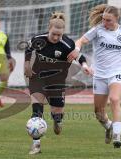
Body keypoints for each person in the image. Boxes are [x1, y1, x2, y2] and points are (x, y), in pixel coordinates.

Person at [67, 4, 121, 148]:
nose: (104, 23)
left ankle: (117, 136)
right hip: (99, 75)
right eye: (104, 19)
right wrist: (76, 49)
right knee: (98, 112)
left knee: (114, 99)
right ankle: (109, 127)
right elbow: (80, 41)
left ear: (117, 19)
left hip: (117, 73)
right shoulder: (97, 30)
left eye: (108, 20)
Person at [25, 12, 91, 155]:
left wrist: (84, 65)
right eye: (53, 34)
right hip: (38, 78)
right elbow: (28, 49)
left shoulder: (67, 44)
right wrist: (27, 65)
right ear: (49, 28)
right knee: (37, 110)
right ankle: (36, 145)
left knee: (57, 112)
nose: (55, 37)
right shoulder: (38, 39)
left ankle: (57, 121)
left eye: (59, 35)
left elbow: (79, 56)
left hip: (56, 81)